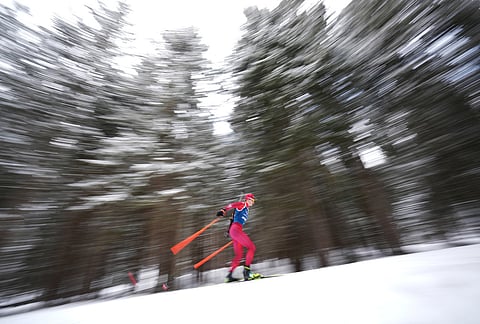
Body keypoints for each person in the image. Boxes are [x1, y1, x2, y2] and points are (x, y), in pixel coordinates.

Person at [216, 193, 261, 282]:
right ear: (247, 199)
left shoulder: (246, 209)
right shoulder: (242, 204)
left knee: (239, 255)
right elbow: (232, 205)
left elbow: (233, 220)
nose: (253, 202)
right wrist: (223, 210)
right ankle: (247, 273)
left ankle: (229, 275)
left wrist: (229, 230)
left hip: (235, 231)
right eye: (251, 200)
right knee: (251, 247)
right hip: (236, 231)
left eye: (253, 201)